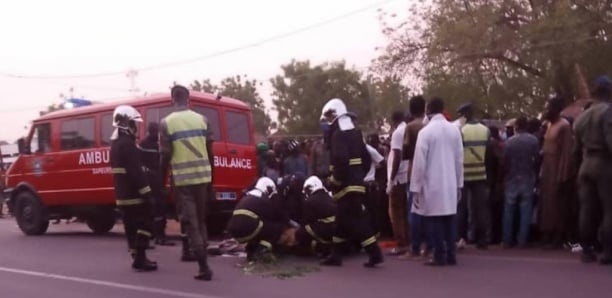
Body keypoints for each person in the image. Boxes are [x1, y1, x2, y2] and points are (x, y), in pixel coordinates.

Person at [320, 98, 383, 268]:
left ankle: (375, 253)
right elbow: (364, 158)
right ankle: (336, 255)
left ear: (334, 115)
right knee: (341, 222)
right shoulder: (355, 133)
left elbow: (341, 160)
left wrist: (334, 180)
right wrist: (358, 176)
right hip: (355, 183)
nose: (325, 124)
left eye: (327, 118)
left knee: (358, 221)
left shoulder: (338, 135)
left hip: (345, 185)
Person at [160, 85, 213, 281]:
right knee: (201, 222)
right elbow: (211, 153)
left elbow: (164, 156)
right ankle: (203, 261)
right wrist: (212, 183)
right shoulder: (202, 120)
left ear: (173, 99)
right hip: (203, 178)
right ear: (188, 98)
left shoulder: (167, 123)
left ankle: (203, 267)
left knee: (191, 224)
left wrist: (161, 183)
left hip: (183, 182)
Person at [410, 97, 464, 266]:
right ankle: (451, 255)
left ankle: (439, 255)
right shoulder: (454, 130)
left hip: (432, 183)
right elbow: (459, 159)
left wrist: (415, 187)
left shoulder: (425, 133)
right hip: (450, 181)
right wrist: (459, 184)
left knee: (434, 221)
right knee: (449, 219)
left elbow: (419, 163)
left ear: (428, 110)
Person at [109, 105, 157, 272]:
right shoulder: (128, 145)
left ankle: (136, 257)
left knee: (130, 227)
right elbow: (136, 172)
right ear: (126, 124)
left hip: (122, 195)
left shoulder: (114, 145)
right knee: (147, 221)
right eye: (133, 123)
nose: (135, 127)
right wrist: (147, 193)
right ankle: (141, 257)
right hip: (134, 195)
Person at [573, 76, 612, 264]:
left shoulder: (582, 116)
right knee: (609, 209)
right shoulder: (607, 112)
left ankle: (586, 250)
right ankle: (607, 251)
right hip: (604, 163)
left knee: (587, 210)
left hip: (585, 164)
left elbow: (575, 149)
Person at [226, 177, 294, 261]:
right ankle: (262, 251)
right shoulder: (263, 199)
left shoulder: (248, 196)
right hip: (248, 227)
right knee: (277, 228)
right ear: (267, 188)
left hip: (234, 231)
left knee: (261, 227)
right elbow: (277, 215)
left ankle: (251, 251)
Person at [539, 96, 574, 249]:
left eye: (548, 108)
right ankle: (546, 233)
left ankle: (557, 236)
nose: (546, 111)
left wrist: (563, 175)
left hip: (557, 169)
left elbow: (566, 153)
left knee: (556, 204)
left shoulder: (564, 126)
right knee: (546, 203)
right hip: (546, 169)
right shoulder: (548, 125)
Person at [456, 102, 492, 249]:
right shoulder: (485, 130)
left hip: (464, 175)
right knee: (481, 209)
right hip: (480, 175)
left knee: (461, 209)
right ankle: (482, 240)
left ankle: (461, 239)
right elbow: (489, 155)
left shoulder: (461, 131)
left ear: (465, 115)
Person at [400, 95, 431, 259]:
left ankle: (415, 247)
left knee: (414, 210)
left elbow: (405, 152)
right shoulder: (429, 125)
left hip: (414, 171)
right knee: (429, 211)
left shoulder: (410, 127)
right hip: (430, 172)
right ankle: (429, 246)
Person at [502, 116, 540, 248]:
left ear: (516, 126)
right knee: (526, 211)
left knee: (509, 210)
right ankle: (522, 240)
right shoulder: (533, 140)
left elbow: (504, 162)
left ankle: (507, 240)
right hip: (527, 177)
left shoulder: (509, 142)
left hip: (512, 178)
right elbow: (537, 159)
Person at [139, 122, 175, 247]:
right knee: (153, 210)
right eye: (155, 132)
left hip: (156, 182)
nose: (156, 134)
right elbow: (140, 164)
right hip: (150, 182)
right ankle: (155, 237)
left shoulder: (156, 145)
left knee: (159, 210)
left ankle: (158, 236)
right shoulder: (144, 145)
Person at [386, 111, 410, 255]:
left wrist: (391, 180)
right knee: (405, 211)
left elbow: (397, 156)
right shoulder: (408, 129)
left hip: (398, 177)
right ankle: (407, 240)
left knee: (395, 212)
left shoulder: (397, 133)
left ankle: (401, 244)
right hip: (407, 174)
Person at [295, 176, 337, 257]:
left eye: (307, 190)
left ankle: (315, 248)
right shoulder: (327, 196)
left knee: (302, 232)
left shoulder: (310, 201)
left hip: (328, 228)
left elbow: (306, 220)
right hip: (338, 227)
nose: (305, 193)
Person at [364, 141, 385, 235]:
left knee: (368, 211)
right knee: (371, 210)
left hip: (361, 184)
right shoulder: (369, 149)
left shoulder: (349, 148)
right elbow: (382, 162)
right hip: (368, 183)